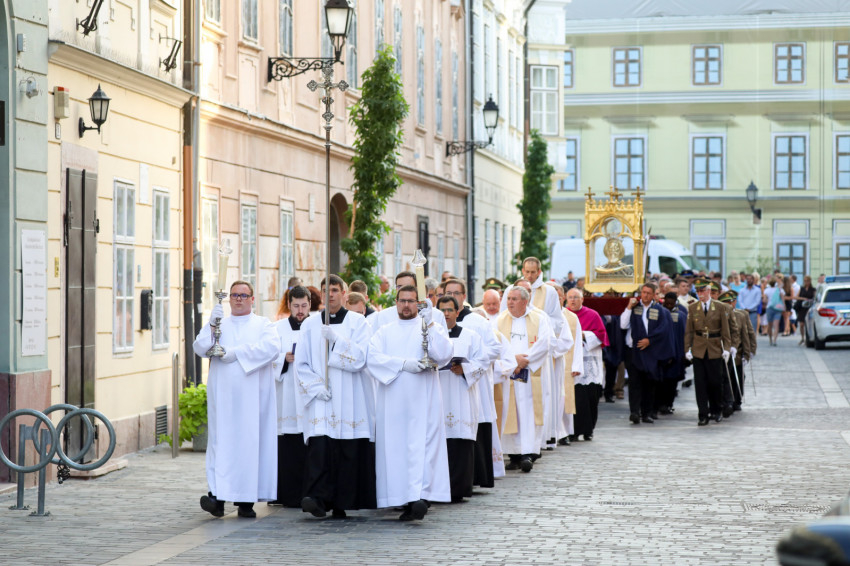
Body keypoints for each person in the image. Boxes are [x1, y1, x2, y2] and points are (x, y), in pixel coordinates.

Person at [367, 285, 453, 521]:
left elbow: (443, 354)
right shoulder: (384, 332)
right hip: (393, 400)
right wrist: (403, 364)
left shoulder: (429, 326)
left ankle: (421, 497)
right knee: (396, 448)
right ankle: (401, 498)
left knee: (422, 446)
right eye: (402, 301)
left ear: (419, 303)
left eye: (411, 301)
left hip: (423, 398)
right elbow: (372, 358)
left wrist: (431, 324)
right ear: (396, 302)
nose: (406, 305)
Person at [194, 281, 279, 518]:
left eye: (243, 295)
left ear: (252, 299)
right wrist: (211, 324)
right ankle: (217, 497)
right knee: (221, 443)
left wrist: (236, 353)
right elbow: (200, 347)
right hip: (223, 395)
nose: (238, 299)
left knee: (248, 445)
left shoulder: (263, 324)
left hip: (252, 397)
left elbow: (271, 348)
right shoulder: (220, 323)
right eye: (234, 295)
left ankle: (245, 501)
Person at [295, 275, 376, 519]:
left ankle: (342, 501)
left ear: (343, 293)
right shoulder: (310, 325)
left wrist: (337, 340)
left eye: (334, 290)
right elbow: (301, 363)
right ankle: (316, 498)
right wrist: (314, 387)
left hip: (350, 397)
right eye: (325, 290)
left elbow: (362, 358)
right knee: (320, 448)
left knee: (347, 450)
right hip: (322, 397)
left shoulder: (358, 322)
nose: (329, 294)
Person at [443, 279, 502, 489]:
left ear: (464, 297)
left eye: (456, 293)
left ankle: (473, 478)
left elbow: (494, 349)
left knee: (469, 430)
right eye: (448, 293)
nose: (452, 297)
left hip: (470, 384)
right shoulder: (434, 324)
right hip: (443, 387)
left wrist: (468, 365)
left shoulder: (478, 322)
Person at [494, 286, 553, 471]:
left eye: (514, 299)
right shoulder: (499, 320)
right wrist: (513, 362)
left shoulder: (539, 319)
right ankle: (513, 454)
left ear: (525, 301)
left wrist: (523, 361)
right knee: (510, 411)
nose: (510, 302)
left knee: (528, 414)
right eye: (508, 298)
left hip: (529, 375)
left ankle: (528, 453)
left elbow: (544, 343)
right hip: (509, 375)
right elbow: (495, 345)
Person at [436, 296, 487, 502]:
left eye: (450, 310)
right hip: (438, 393)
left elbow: (483, 361)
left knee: (459, 440)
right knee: (438, 442)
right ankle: (438, 489)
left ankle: (457, 490)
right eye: (442, 311)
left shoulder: (470, 336)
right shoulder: (431, 337)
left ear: (458, 312)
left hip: (461, 395)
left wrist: (464, 369)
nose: (446, 314)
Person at [270, 285, 310, 507]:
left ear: (310, 304)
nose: (300, 311)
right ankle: (286, 494)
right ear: (289, 305)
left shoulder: (316, 327)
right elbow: (269, 357)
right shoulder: (277, 329)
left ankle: (308, 493)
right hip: (286, 395)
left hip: (308, 395)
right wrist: (283, 358)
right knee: (287, 446)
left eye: (304, 305)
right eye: (296, 306)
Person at [620, 283, 673, 425]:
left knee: (649, 383)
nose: (645, 295)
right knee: (634, 383)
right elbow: (623, 325)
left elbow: (663, 329)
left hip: (651, 351)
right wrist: (628, 307)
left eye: (649, 293)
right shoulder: (634, 308)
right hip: (634, 350)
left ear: (654, 294)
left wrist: (650, 340)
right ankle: (634, 412)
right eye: (643, 292)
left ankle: (647, 413)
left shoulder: (659, 310)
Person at [684, 278, 731, 426]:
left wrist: (727, 349)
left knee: (715, 382)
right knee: (700, 384)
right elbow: (689, 331)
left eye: (702, 291)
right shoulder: (693, 308)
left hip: (715, 348)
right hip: (699, 349)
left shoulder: (720, 307)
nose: (700, 294)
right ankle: (703, 414)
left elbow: (725, 330)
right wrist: (687, 349)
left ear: (709, 291)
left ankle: (716, 410)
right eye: (698, 291)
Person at [565, 288, 608, 441]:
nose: (573, 300)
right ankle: (574, 431)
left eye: (576, 297)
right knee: (576, 398)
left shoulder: (592, 315)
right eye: (570, 297)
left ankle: (589, 430)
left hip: (589, 363)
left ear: (582, 299)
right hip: (570, 363)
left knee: (590, 397)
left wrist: (583, 335)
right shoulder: (563, 315)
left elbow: (601, 335)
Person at [718, 290, 755, 412]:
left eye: (731, 302)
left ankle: (737, 400)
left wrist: (749, 352)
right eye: (726, 303)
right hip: (722, 352)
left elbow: (747, 334)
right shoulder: (718, 314)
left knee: (738, 377)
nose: (730, 305)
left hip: (737, 353)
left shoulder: (741, 315)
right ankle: (725, 401)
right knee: (724, 378)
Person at [658, 292, 688, 415]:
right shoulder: (659, 313)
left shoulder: (681, 315)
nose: (669, 305)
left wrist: (684, 353)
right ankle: (659, 404)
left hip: (677, 353)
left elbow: (685, 335)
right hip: (661, 353)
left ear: (676, 302)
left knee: (672, 382)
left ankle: (668, 404)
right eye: (667, 303)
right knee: (660, 381)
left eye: (672, 303)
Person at [793, 275, 816, 345]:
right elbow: (796, 297)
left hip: (809, 308)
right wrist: (803, 299)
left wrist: (810, 300)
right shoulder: (802, 288)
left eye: (807, 281)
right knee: (801, 324)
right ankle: (802, 338)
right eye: (805, 281)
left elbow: (815, 298)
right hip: (802, 308)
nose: (806, 282)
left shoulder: (813, 289)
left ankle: (808, 338)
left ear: (810, 281)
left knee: (808, 324)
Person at [763, 276, 785, 346]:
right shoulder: (779, 289)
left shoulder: (766, 290)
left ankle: (770, 340)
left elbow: (764, 300)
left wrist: (768, 302)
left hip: (769, 308)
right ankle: (775, 340)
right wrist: (784, 306)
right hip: (778, 308)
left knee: (770, 325)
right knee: (776, 325)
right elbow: (782, 298)